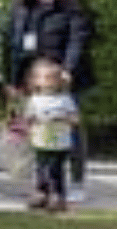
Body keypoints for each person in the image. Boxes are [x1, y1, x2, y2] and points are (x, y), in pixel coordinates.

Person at [6, 0, 97, 202]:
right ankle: (41, 184)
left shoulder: (72, 3)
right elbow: (12, 43)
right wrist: (13, 80)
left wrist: (68, 69)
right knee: (33, 129)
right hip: (32, 78)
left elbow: (78, 38)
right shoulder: (23, 4)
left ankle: (76, 181)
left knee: (69, 129)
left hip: (62, 77)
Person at [22, 57, 82, 214]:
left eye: (52, 78)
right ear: (36, 81)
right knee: (41, 168)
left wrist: (62, 118)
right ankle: (41, 192)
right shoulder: (35, 100)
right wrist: (30, 124)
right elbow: (28, 118)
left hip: (59, 142)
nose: (48, 81)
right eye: (44, 78)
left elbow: (75, 119)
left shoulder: (65, 100)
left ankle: (57, 195)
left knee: (55, 169)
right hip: (41, 141)